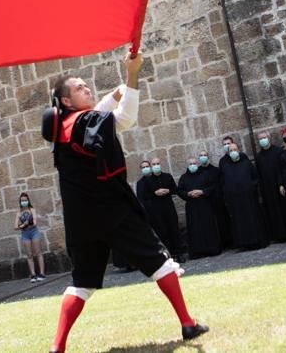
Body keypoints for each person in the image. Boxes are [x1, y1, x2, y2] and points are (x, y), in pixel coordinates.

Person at [40, 51, 207, 352]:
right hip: (110, 210)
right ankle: (187, 323)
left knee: (82, 282)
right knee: (159, 260)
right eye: (79, 88)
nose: (86, 88)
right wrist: (133, 75)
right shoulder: (87, 121)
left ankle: (57, 348)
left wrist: (118, 89)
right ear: (66, 101)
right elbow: (122, 119)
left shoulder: (64, 130)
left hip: (80, 220)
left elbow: (100, 113)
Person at [218, 141, 268, 250]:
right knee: (239, 223)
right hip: (235, 201)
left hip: (249, 198)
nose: (233, 152)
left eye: (235, 150)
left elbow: (255, 178)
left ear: (239, 151)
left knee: (253, 220)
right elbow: (223, 183)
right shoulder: (225, 166)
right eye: (231, 151)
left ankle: (256, 242)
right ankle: (243, 244)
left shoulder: (246, 163)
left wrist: (251, 187)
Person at [136, 160, 183, 262]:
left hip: (169, 208)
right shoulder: (148, 180)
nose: (156, 166)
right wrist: (155, 193)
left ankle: (178, 253)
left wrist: (168, 191)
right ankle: (168, 255)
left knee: (174, 230)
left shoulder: (167, 176)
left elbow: (175, 189)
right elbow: (144, 196)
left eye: (157, 164)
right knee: (163, 232)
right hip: (156, 211)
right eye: (154, 164)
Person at [176, 156, 222, 258]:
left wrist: (202, 191)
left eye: (194, 163)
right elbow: (179, 191)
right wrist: (188, 194)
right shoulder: (184, 178)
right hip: (192, 207)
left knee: (208, 226)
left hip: (205, 205)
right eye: (190, 164)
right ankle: (198, 251)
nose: (192, 165)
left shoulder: (205, 175)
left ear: (197, 164)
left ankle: (212, 249)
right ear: (188, 166)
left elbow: (212, 187)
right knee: (195, 228)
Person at [254, 130, 286, 242]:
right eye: (260, 139)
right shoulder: (258, 157)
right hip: (267, 188)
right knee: (273, 212)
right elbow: (259, 174)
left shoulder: (278, 151)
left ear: (269, 138)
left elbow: (283, 168)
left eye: (264, 137)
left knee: (285, 209)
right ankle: (279, 236)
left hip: (281, 185)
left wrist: (281, 183)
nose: (262, 140)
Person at [15, 192, 47, 282]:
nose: (24, 202)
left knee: (38, 252)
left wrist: (24, 224)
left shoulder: (32, 210)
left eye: (25, 200)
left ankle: (42, 273)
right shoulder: (18, 213)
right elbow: (15, 227)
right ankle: (33, 275)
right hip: (25, 234)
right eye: (22, 200)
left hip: (34, 232)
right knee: (29, 254)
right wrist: (23, 225)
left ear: (28, 201)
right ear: (20, 202)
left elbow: (35, 223)